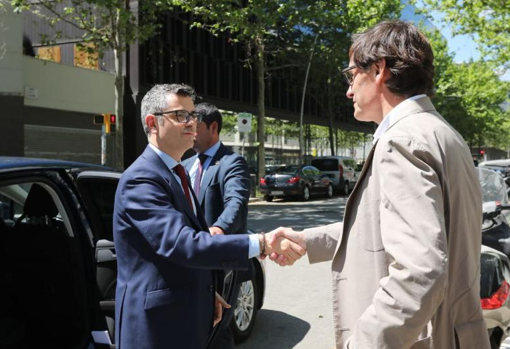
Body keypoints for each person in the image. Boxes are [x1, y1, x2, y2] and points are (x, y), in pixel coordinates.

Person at [269, 21, 490, 349]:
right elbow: (383, 227)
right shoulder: (443, 133)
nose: (348, 90)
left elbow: (421, 270)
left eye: (351, 74)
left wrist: (365, 343)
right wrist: (307, 239)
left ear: (378, 69)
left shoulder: (400, 141)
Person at [113, 83, 305, 349]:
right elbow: (183, 245)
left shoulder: (176, 172)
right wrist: (260, 243)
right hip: (158, 328)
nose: (192, 122)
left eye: (193, 115)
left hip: (187, 315)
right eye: (181, 115)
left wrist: (206, 294)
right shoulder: (142, 179)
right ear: (152, 123)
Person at [183, 102, 250, 349]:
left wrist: (218, 229)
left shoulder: (232, 162)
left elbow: (237, 204)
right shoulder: (187, 166)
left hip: (220, 264)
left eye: (194, 127)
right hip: (193, 259)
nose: (189, 132)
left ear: (213, 127)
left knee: (217, 332)